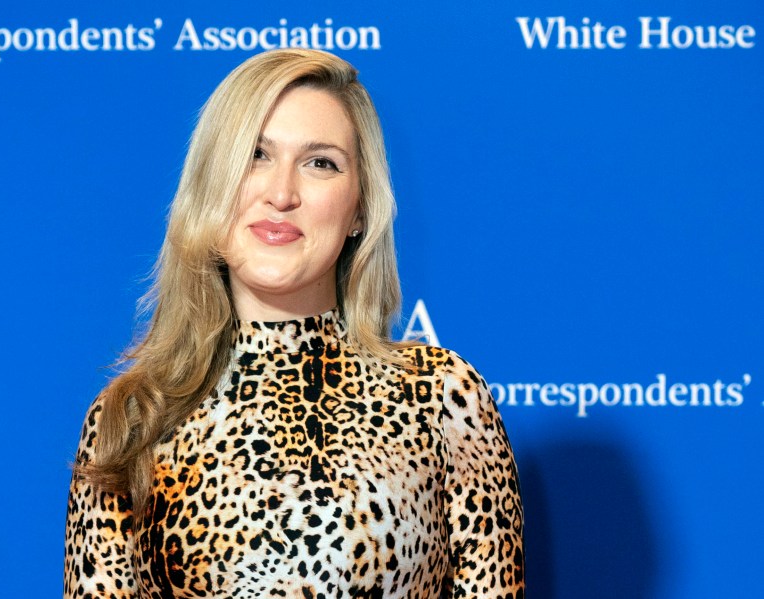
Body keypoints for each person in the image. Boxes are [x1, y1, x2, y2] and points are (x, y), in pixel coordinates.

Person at [64, 49, 523, 598]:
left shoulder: (441, 397)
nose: (281, 194)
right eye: (255, 155)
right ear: (211, 186)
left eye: (320, 162)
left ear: (359, 209)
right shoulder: (134, 418)